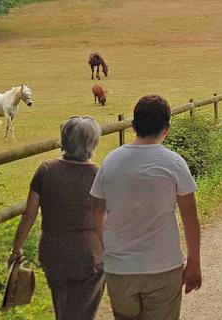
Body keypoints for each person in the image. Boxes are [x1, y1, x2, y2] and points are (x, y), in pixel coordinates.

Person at [91, 95, 202, 319]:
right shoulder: (174, 163)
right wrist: (194, 262)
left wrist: (108, 247)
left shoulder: (111, 161)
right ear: (167, 129)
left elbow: (97, 211)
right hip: (163, 266)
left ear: (133, 125)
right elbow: (190, 218)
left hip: (120, 269)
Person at [9, 117, 104, 320]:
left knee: (62, 309)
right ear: (93, 143)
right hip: (89, 255)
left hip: (53, 252)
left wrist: (16, 248)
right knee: (82, 314)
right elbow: (106, 217)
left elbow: (29, 215)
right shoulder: (98, 175)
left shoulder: (46, 170)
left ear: (64, 139)